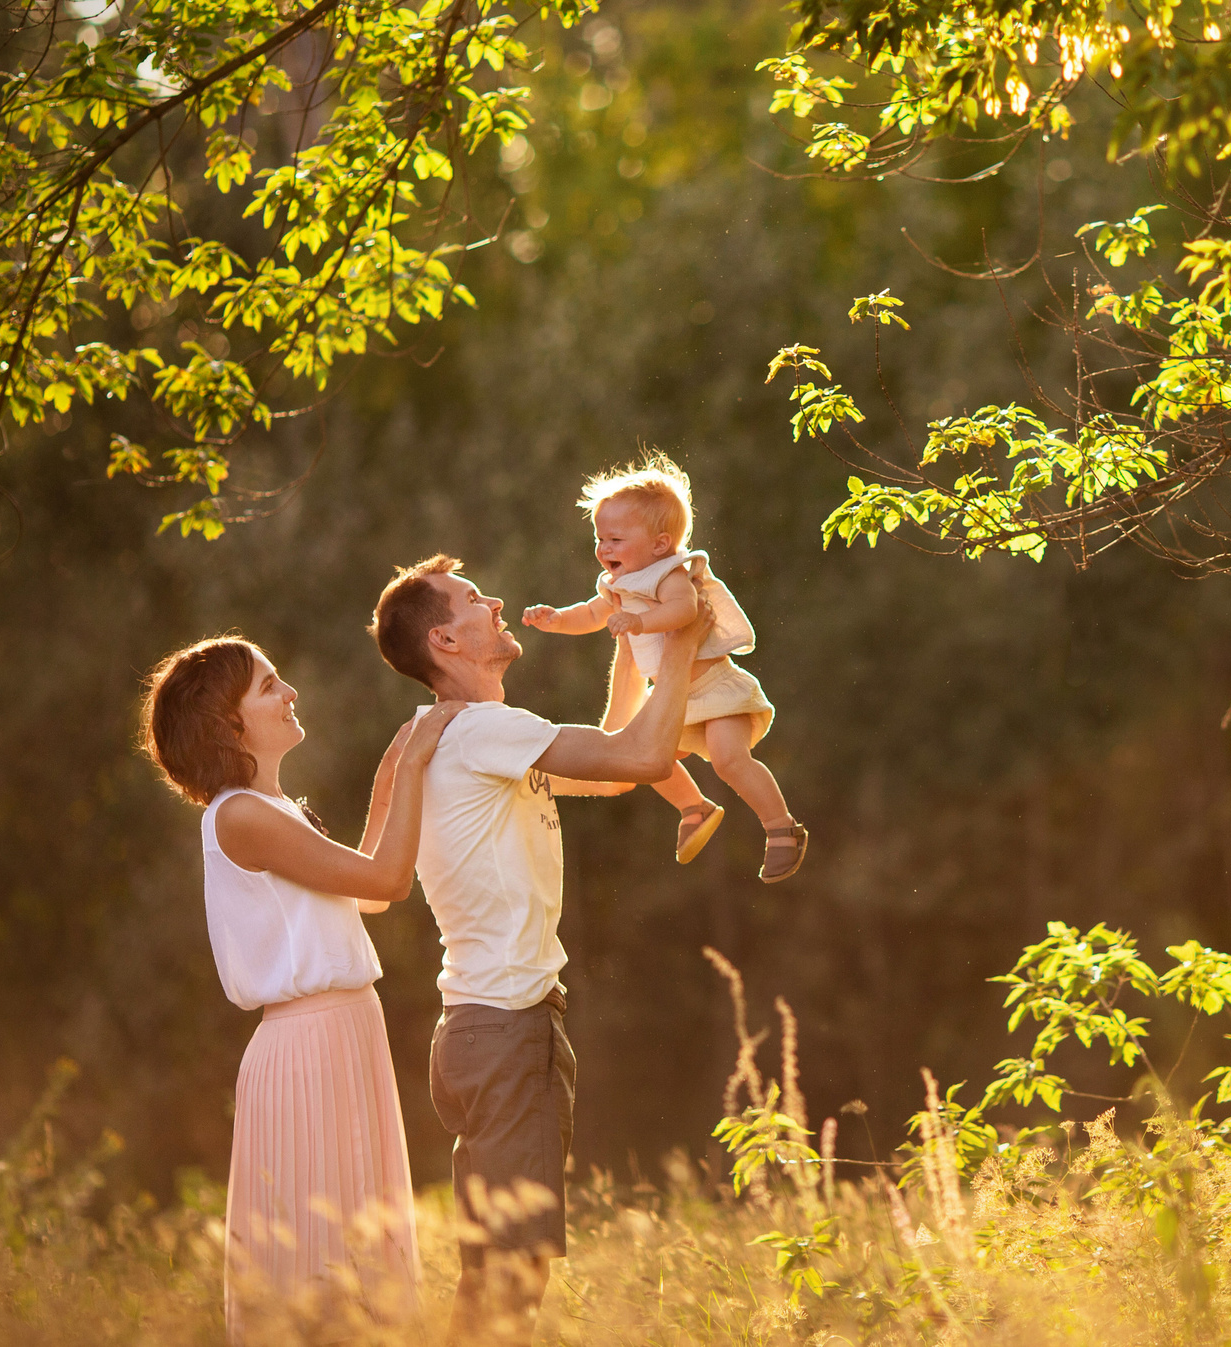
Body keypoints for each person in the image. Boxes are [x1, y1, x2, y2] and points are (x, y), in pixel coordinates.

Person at [366, 552, 712, 1333]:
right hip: (508, 1028)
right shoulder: (485, 728)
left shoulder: (466, 736)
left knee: (495, 1270)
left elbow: (619, 770)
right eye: (470, 598)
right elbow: (646, 756)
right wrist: (686, 637)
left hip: (478, 1030)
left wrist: (631, 649)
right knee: (509, 1282)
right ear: (446, 643)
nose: (494, 600)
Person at [140, 636, 460, 1341]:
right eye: (269, 685)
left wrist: (390, 771)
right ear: (229, 723)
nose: (290, 693)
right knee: (318, 1267)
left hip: (346, 1031)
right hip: (308, 1043)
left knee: (361, 1255)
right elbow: (388, 880)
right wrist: (414, 762)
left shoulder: (274, 808)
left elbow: (369, 893)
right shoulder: (238, 814)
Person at [524, 453, 806, 883]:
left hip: (714, 690)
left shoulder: (670, 573)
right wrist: (557, 619)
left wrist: (639, 622)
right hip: (674, 697)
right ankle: (694, 807)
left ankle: (781, 827)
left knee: (729, 760)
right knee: (645, 758)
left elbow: (684, 609)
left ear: (659, 544)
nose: (604, 549)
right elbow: (590, 612)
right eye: (600, 539)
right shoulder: (618, 585)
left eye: (616, 539)